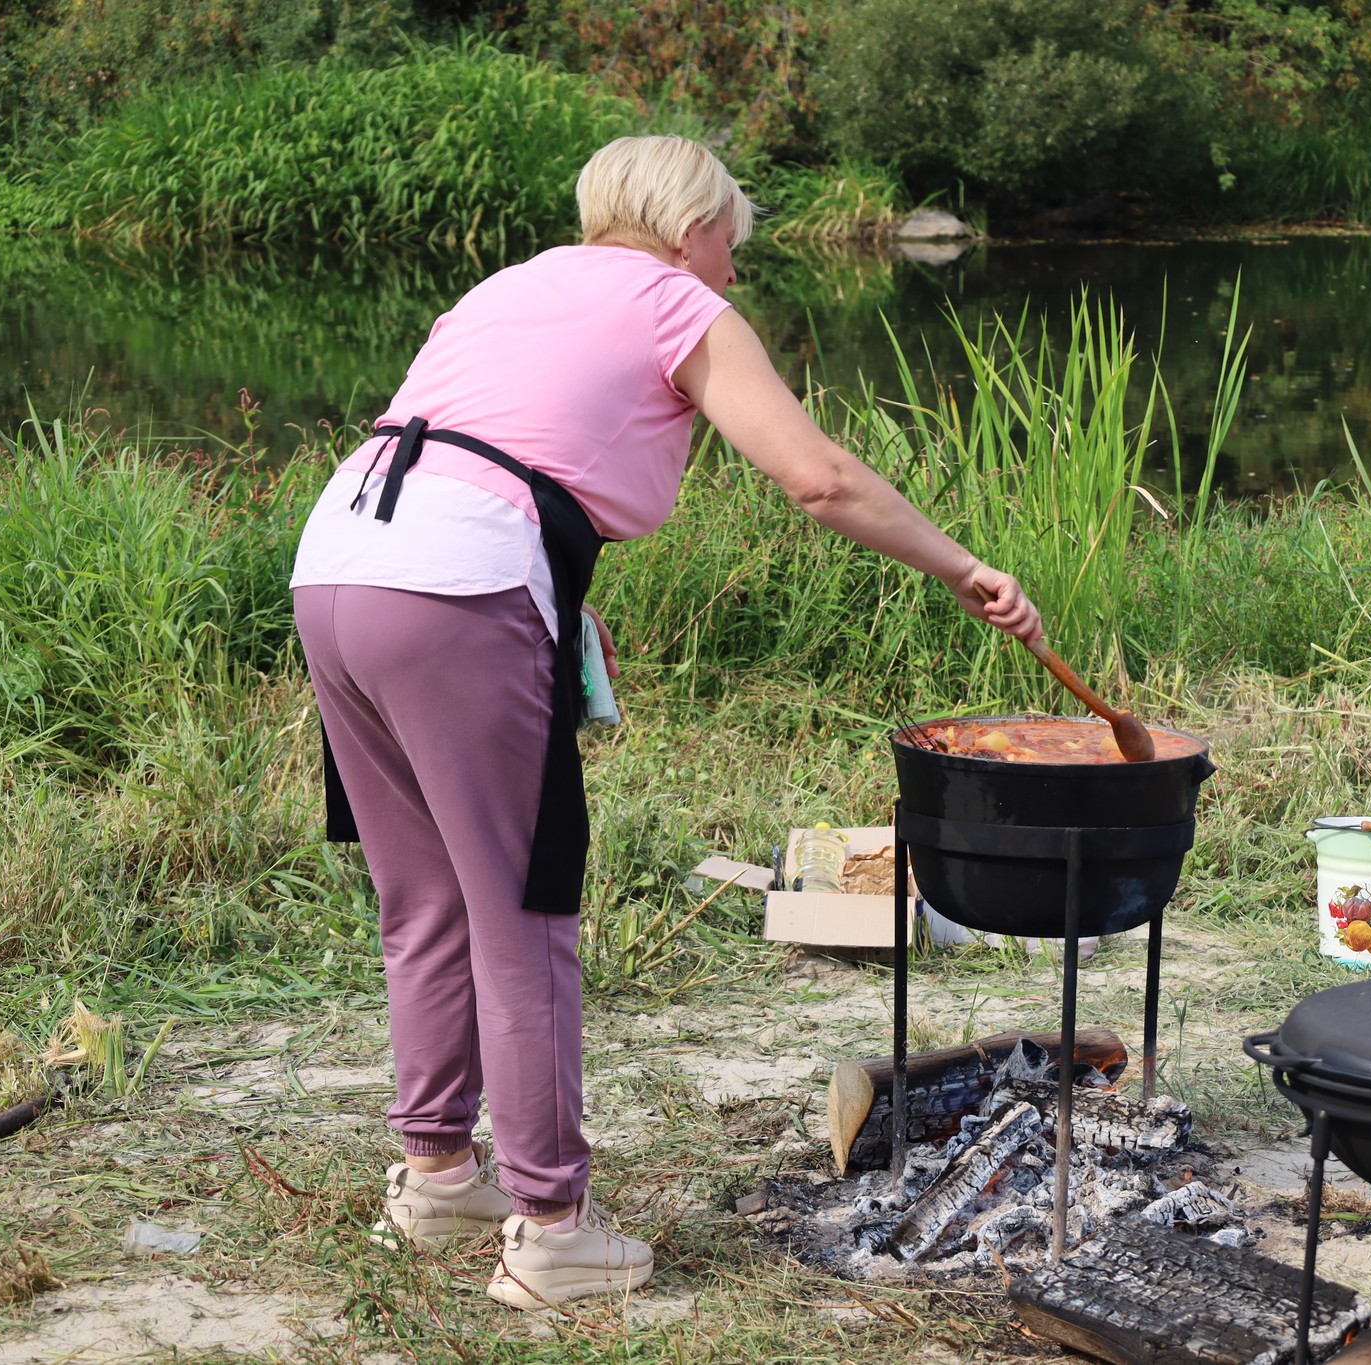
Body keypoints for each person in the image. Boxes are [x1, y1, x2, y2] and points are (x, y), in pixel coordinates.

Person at [288, 135, 1041, 1310]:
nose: (731, 277)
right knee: (523, 908)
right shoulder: (673, 300)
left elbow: (496, 447)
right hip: (459, 581)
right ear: (693, 230)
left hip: (337, 563)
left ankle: (438, 1179)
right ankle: (550, 1232)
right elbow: (819, 478)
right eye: (732, 248)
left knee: (425, 896)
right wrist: (962, 567)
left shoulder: (506, 285)